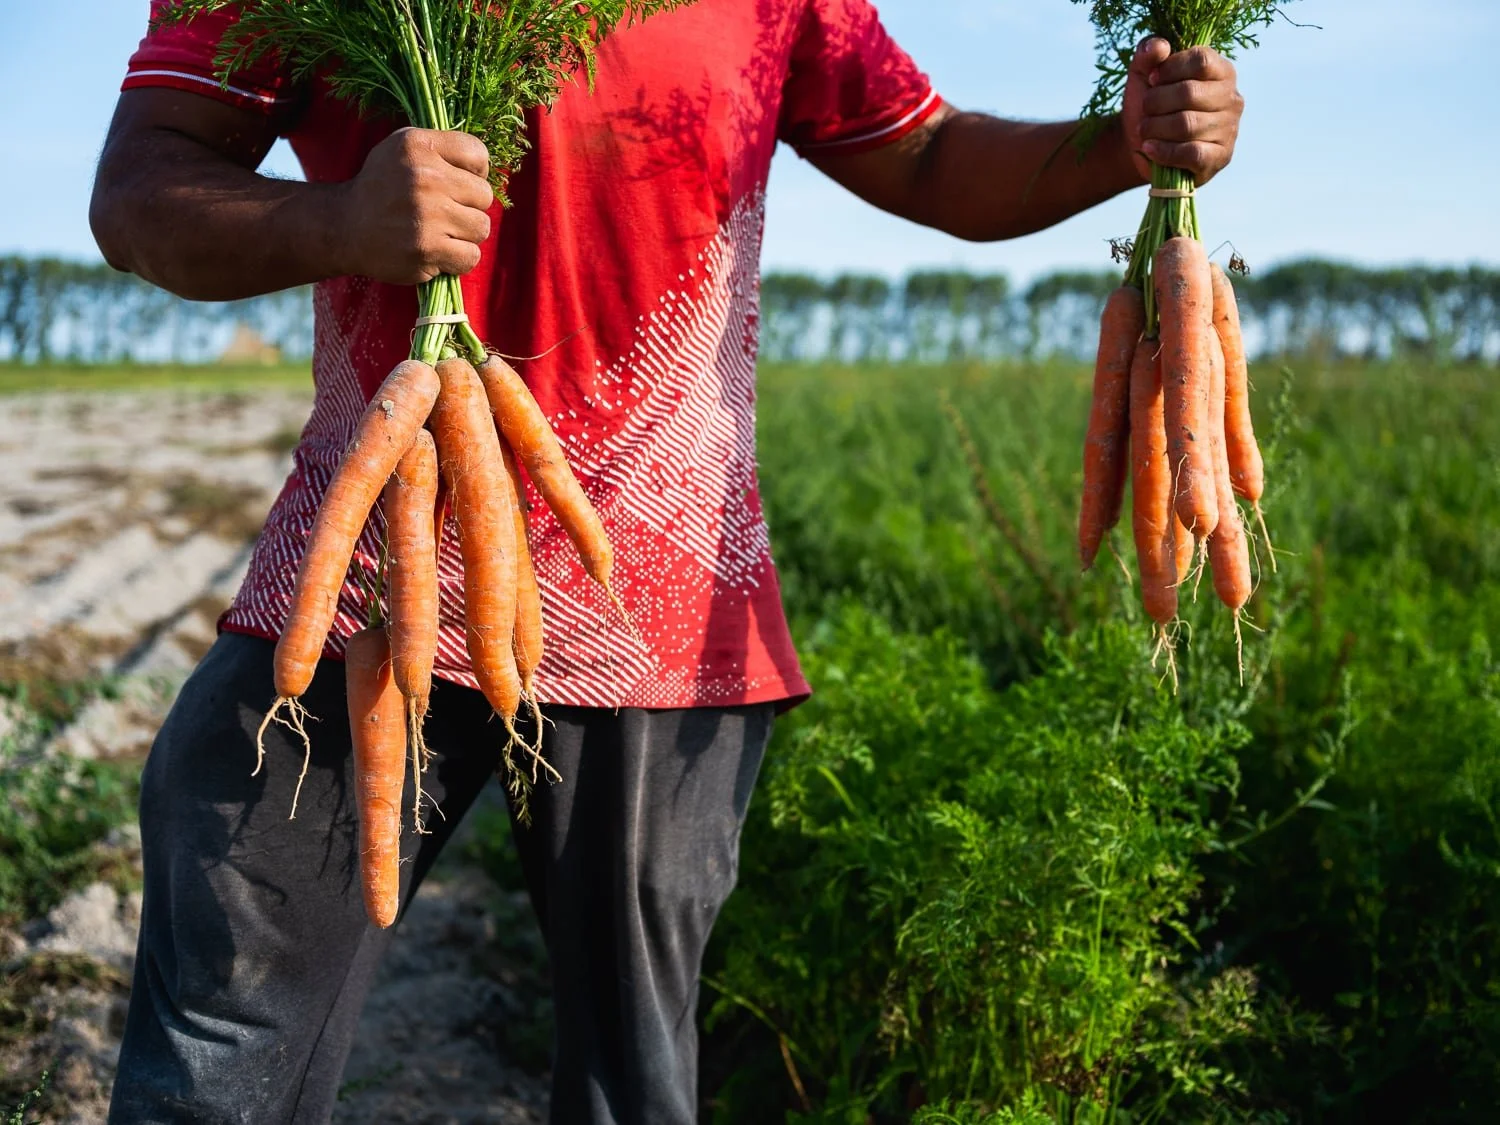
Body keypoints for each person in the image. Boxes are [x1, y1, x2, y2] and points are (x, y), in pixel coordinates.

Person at [90, 2, 1244, 1122]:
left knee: (631, 1087)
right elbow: (139, 192)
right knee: (220, 1052)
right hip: (370, 589)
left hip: (665, 604)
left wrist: (1125, 143)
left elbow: (929, 156)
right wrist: (338, 221)